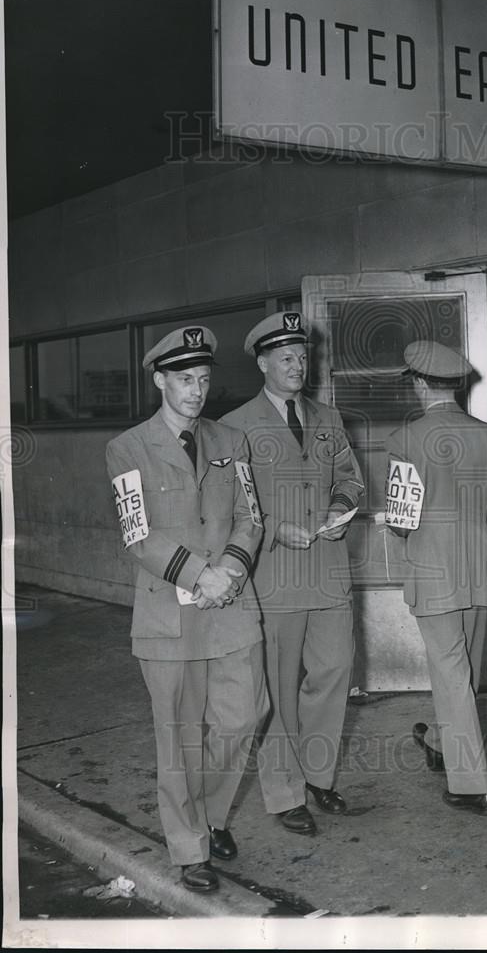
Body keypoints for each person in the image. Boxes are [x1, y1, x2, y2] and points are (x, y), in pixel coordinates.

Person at [105, 326, 268, 893]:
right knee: (177, 734)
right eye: (184, 380)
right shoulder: (127, 448)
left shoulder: (231, 441)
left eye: (202, 380)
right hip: (168, 614)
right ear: (160, 380)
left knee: (243, 716)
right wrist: (201, 572)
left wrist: (231, 569)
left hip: (229, 604)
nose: (196, 391)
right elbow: (136, 534)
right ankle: (189, 846)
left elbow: (251, 517)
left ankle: (213, 815)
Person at [221, 312, 364, 836]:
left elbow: (351, 478)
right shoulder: (235, 426)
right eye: (286, 358)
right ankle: (284, 794)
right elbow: (236, 500)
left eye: (302, 356)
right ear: (262, 363)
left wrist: (340, 507)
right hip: (275, 578)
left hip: (328, 572)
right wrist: (276, 528)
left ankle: (318, 775)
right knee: (279, 689)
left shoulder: (327, 417)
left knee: (333, 673)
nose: (297, 365)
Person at [386, 341, 487, 816]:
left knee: (450, 672)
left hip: (433, 567)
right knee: (466, 670)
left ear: (420, 384)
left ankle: (472, 786)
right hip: (479, 563)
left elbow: (401, 519)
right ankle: (440, 740)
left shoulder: (407, 438)